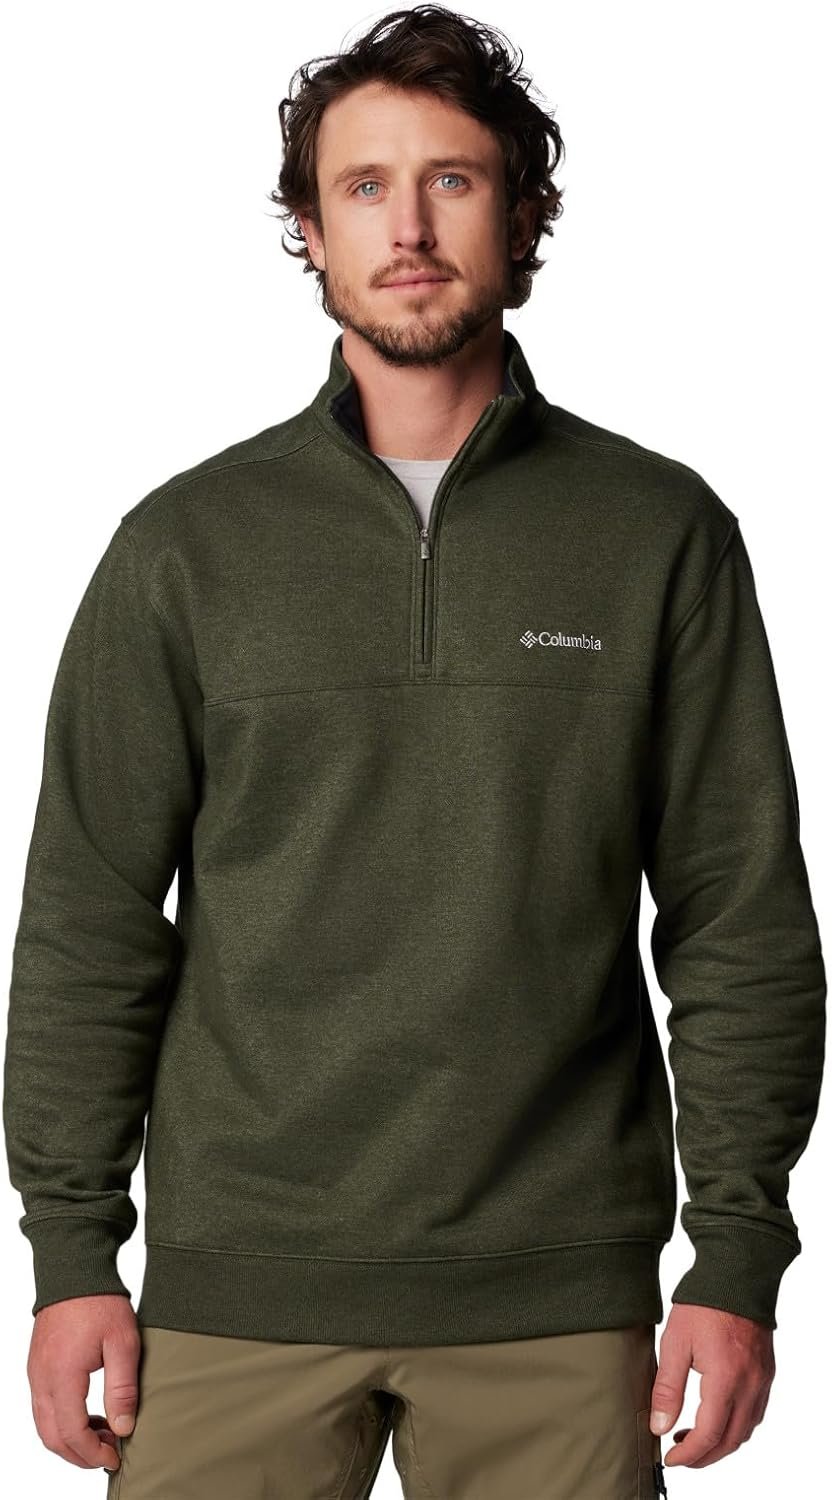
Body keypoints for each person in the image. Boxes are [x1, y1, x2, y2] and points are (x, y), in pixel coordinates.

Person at [3, 6, 826, 1497]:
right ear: (310, 231)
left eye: (452, 179)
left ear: (521, 214)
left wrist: (738, 1254)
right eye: (364, 186)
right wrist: (71, 1254)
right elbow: (90, 918)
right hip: (238, 1285)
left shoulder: (659, 532)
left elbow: (739, 917)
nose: (409, 228)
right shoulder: (184, 546)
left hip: (559, 1293)